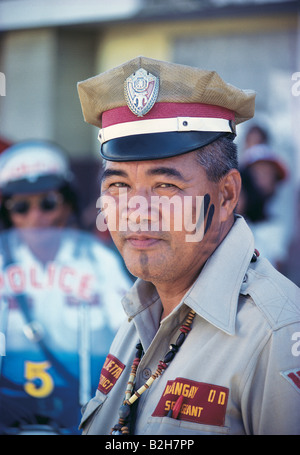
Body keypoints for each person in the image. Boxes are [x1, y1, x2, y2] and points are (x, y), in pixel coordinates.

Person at [77, 56, 300, 435]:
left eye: (166, 186)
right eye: (118, 185)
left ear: (227, 194)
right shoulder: (144, 308)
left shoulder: (278, 334)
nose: (136, 211)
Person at [0, 140, 132, 434]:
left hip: (83, 417)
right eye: (21, 206)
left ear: (67, 202)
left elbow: (131, 334)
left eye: (47, 203)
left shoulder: (99, 262)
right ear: (6, 212)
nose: (37, 216)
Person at [240, 143, 290, 268]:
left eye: (270, 174)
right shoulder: (230, 223)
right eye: (258, 173)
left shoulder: (276, 227)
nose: (263, 180)